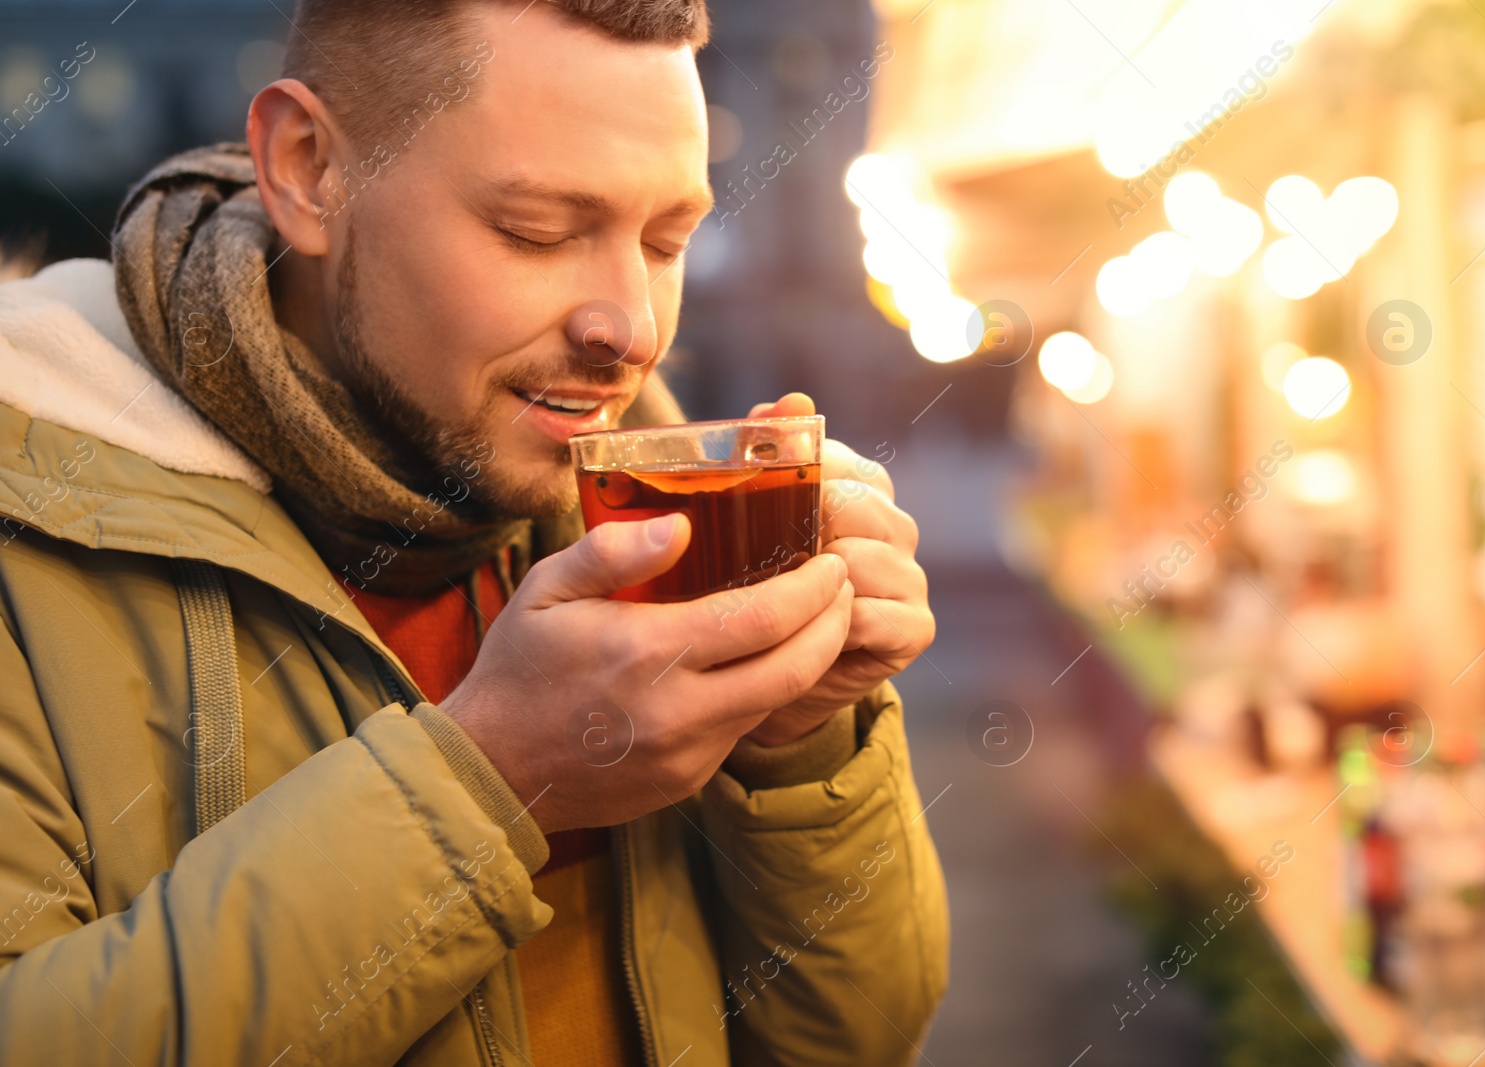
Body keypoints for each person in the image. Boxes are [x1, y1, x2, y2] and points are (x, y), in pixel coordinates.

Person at [0, 1, 948, 1064]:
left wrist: (798, 742)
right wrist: (492, 779)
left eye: (667, 238)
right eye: (536, 230)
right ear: (310, 169)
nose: (629, 326)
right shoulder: (28, 516)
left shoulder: (642, 470)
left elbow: (853, 1037)